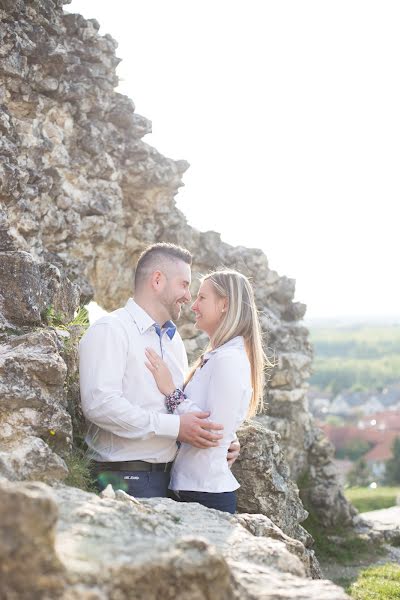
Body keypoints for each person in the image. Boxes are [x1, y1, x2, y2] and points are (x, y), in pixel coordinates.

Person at [79, 243, 239, 498]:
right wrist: (175, 427)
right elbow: (100, 404)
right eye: (184, 285)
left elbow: (181, 403)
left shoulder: (173, 341)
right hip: (124, 478)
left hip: (171, 479)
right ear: (157, 280)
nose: (189, 297)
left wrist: (220, 438)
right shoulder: (111, 329)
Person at [144, 268, 267, 514]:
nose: (193, 306)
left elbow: (212, 432)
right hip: (189, 488)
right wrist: (230, 438)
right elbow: (220, 425)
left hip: (205, 494)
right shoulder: (216, 356)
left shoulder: (228, 360)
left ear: (224, 304)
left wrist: (171, 391)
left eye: (202, 298)